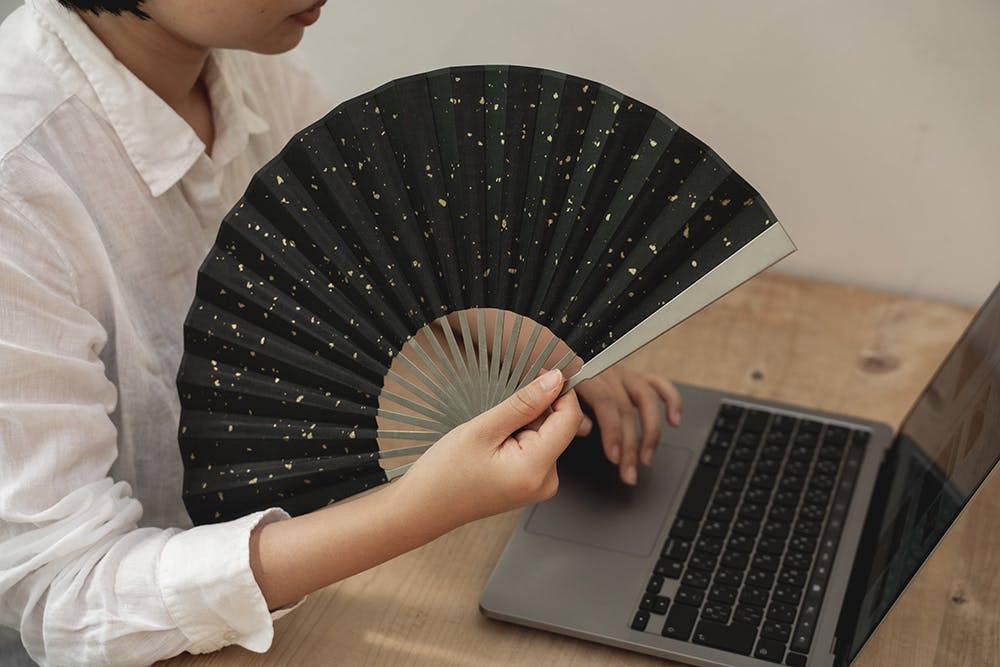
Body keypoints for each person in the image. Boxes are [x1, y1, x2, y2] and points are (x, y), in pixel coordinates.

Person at [0, 1, 683, 664]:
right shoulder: (18, 181)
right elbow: (64, 600)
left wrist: (532, 347)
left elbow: (374, 252)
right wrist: (416, 510)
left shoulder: (247, 67)